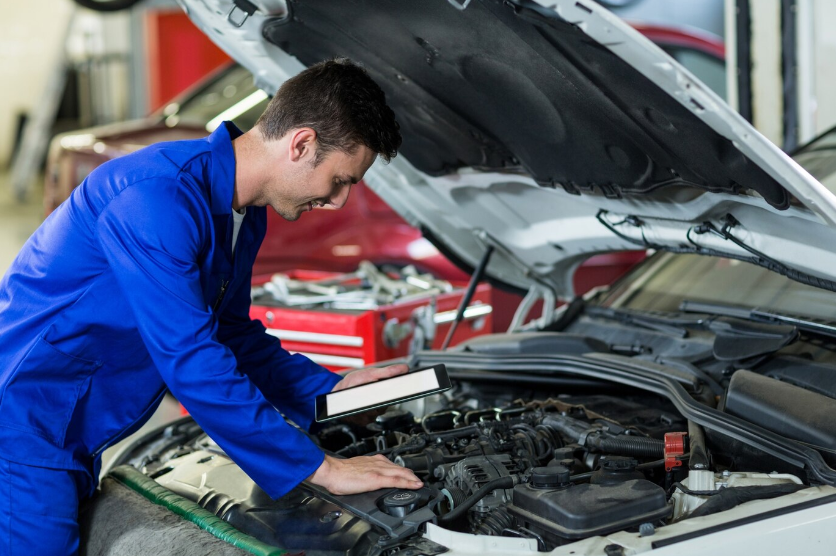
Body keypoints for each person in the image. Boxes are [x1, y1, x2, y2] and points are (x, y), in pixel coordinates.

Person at [0, 58, 422, 554]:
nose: (339, 202)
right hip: (24, 421)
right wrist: (320, 468)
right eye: (341, 179)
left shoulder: (239, 214)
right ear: (302, 143)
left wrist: (332, 393)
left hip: (68, 423)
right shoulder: (155, 199)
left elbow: (232, 336)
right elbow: (192, 359)